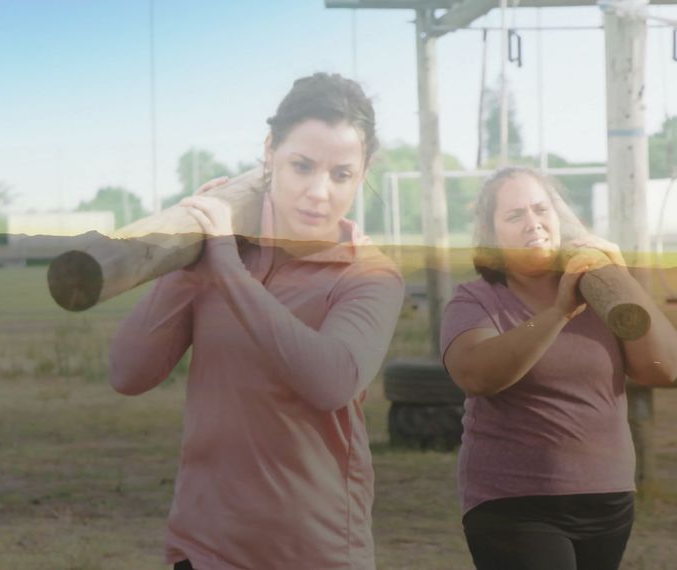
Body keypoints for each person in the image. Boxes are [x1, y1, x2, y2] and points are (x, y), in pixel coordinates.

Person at [108, 73, 405, 569]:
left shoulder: (370, 275)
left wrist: (224, 264)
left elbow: (331, 380)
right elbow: (128, 372)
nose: (318, 192)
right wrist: (195, 259)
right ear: (269, 151)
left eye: (341, 175)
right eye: (302, 166)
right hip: (202, 550)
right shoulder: (226, 257)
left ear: (364, 171)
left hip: (314, 553)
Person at [440, 166, 677, 570]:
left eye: (540, 208)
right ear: (490, 232)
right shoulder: (474, 300)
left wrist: (620, 278)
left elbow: (664, 369)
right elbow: (476, 375)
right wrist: (559, 312)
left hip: (608, 499)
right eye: (514, 216)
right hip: (515, 503)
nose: (533, 223)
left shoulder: (598, 290)